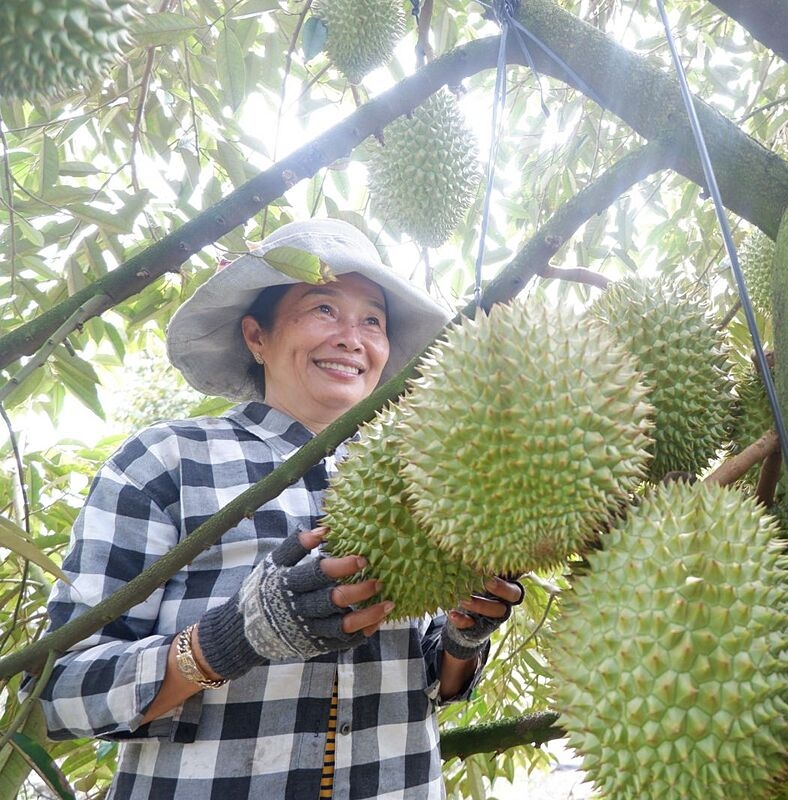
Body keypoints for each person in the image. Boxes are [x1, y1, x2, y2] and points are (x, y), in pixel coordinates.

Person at [34, 218, 524, 799]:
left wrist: (464, 637)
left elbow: (430, 682)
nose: (352, 337)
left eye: (373, 319)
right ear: (256, 336)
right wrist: (233, 638)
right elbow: (59, 694)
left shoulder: (430, 473)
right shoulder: (165, 461)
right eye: (323, 309)